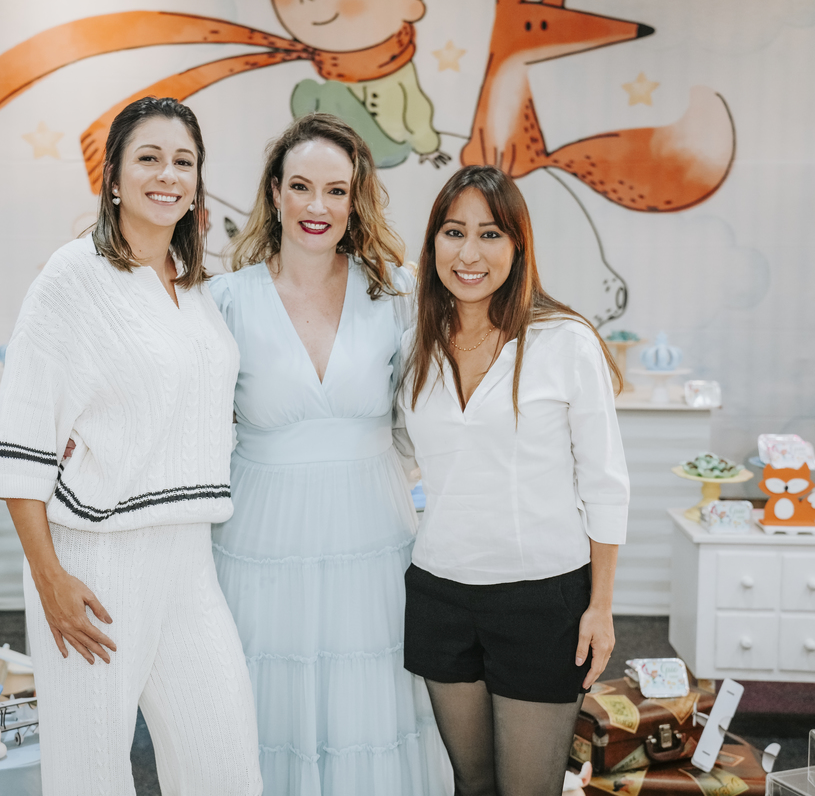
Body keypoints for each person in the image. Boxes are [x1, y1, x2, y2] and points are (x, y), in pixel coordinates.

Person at [0, 96, 262, 796]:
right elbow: (20, 442)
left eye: (184, 162)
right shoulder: (71, 277)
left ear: (197, 183)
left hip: (190, 558)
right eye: (149, 158)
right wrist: (49, 579)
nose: (168, 174)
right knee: (90, 774)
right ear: (112, 177)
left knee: (225, 763)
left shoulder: (192, 283)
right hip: (96, 562)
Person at [209, 112, 449, 795]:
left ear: (355, 199)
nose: (318, 206)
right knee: (267, 699)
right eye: (302, 187)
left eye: (336, 191)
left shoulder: (393, 292)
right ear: (275, 192)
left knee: (368, 699)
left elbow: (421, 417)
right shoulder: (225, 300)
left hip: (371, 531)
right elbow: (190, 419)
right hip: (262, 536)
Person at [398, 165, 630, 796]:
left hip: (542, 598)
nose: (469, 254)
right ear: (433, 243)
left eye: (490, 234)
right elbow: (394, 448)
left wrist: (601, 606)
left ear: (518, 245)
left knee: (527, 788)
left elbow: (606, 483)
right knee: (472, 783)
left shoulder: (565, 341)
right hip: (441, 592)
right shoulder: (415, 344)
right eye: (453, 232)